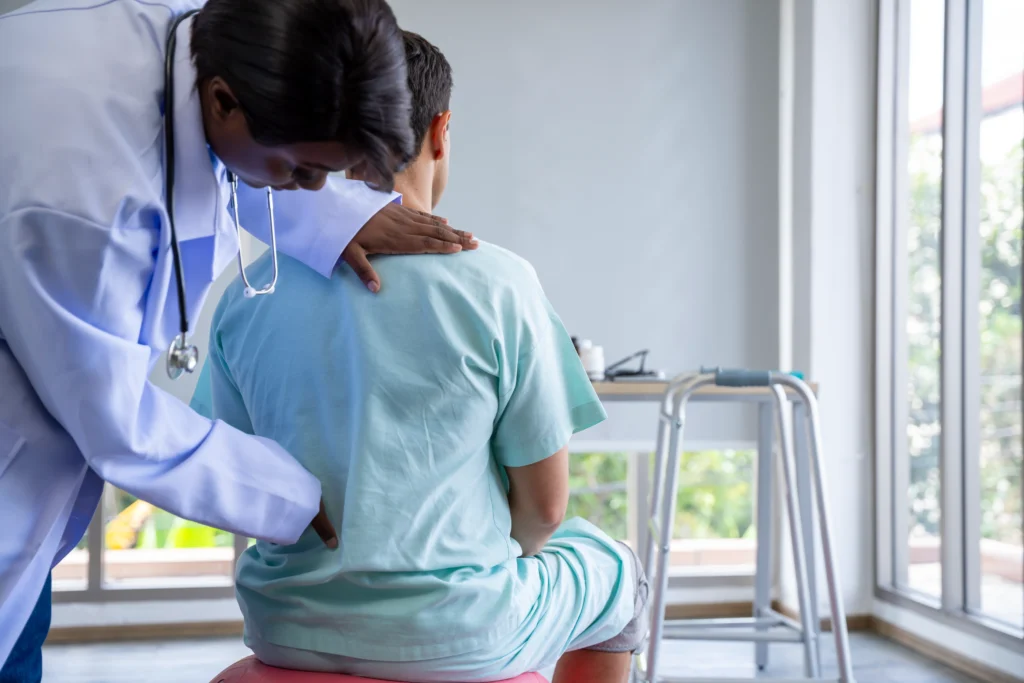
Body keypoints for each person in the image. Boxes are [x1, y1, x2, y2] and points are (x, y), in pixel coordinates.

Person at [0, 0, 479, 677]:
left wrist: (336, 217)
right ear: (224, 100)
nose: (310, 189)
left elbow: (224, 148)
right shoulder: (82, 199)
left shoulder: (226, 34)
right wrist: (292, 491)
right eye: (301, 170)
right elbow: (116, 426)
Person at [192, 31, 649, 683]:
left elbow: (232, 472)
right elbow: (544, 512)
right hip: (461, 633)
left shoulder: (248, 290)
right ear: (441, 131)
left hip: (285, 626)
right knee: (616, 570)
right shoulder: (500, 283)